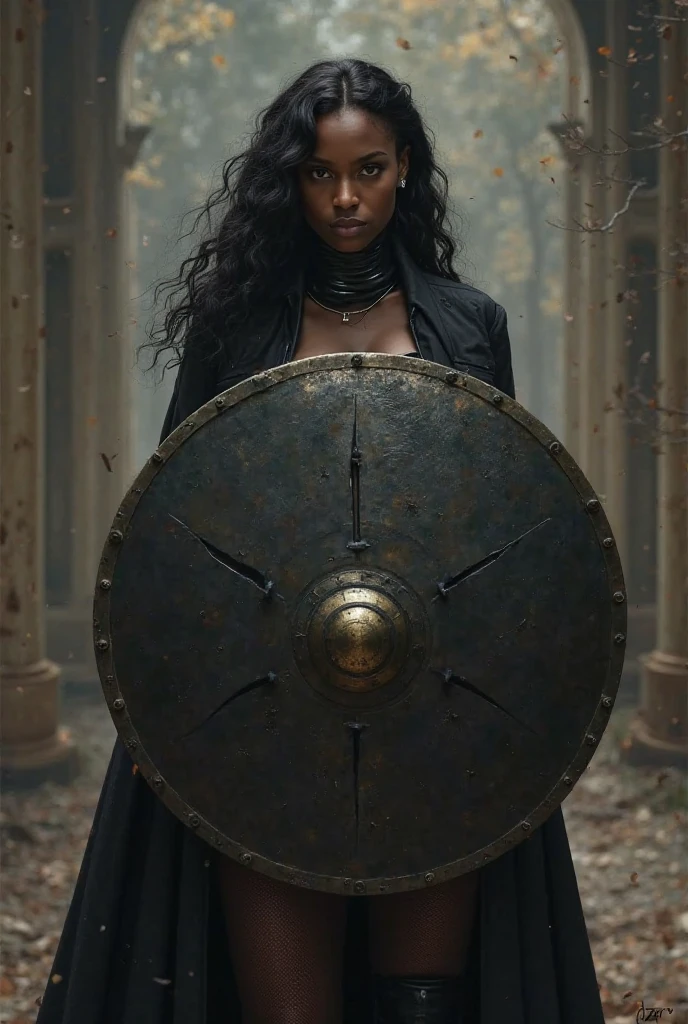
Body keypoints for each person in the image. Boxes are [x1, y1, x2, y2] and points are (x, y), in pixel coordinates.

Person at [37, 58, 605, 1024]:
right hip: (261, 705)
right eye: (318, 173)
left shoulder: (470, 328)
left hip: (443, 707)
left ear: (406, 169)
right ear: (287, 180)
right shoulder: (236, 329)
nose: (345, 198)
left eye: (370, 170)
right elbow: (176, 522)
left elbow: (510, 524)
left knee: (422, 1003)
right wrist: (165, 701)